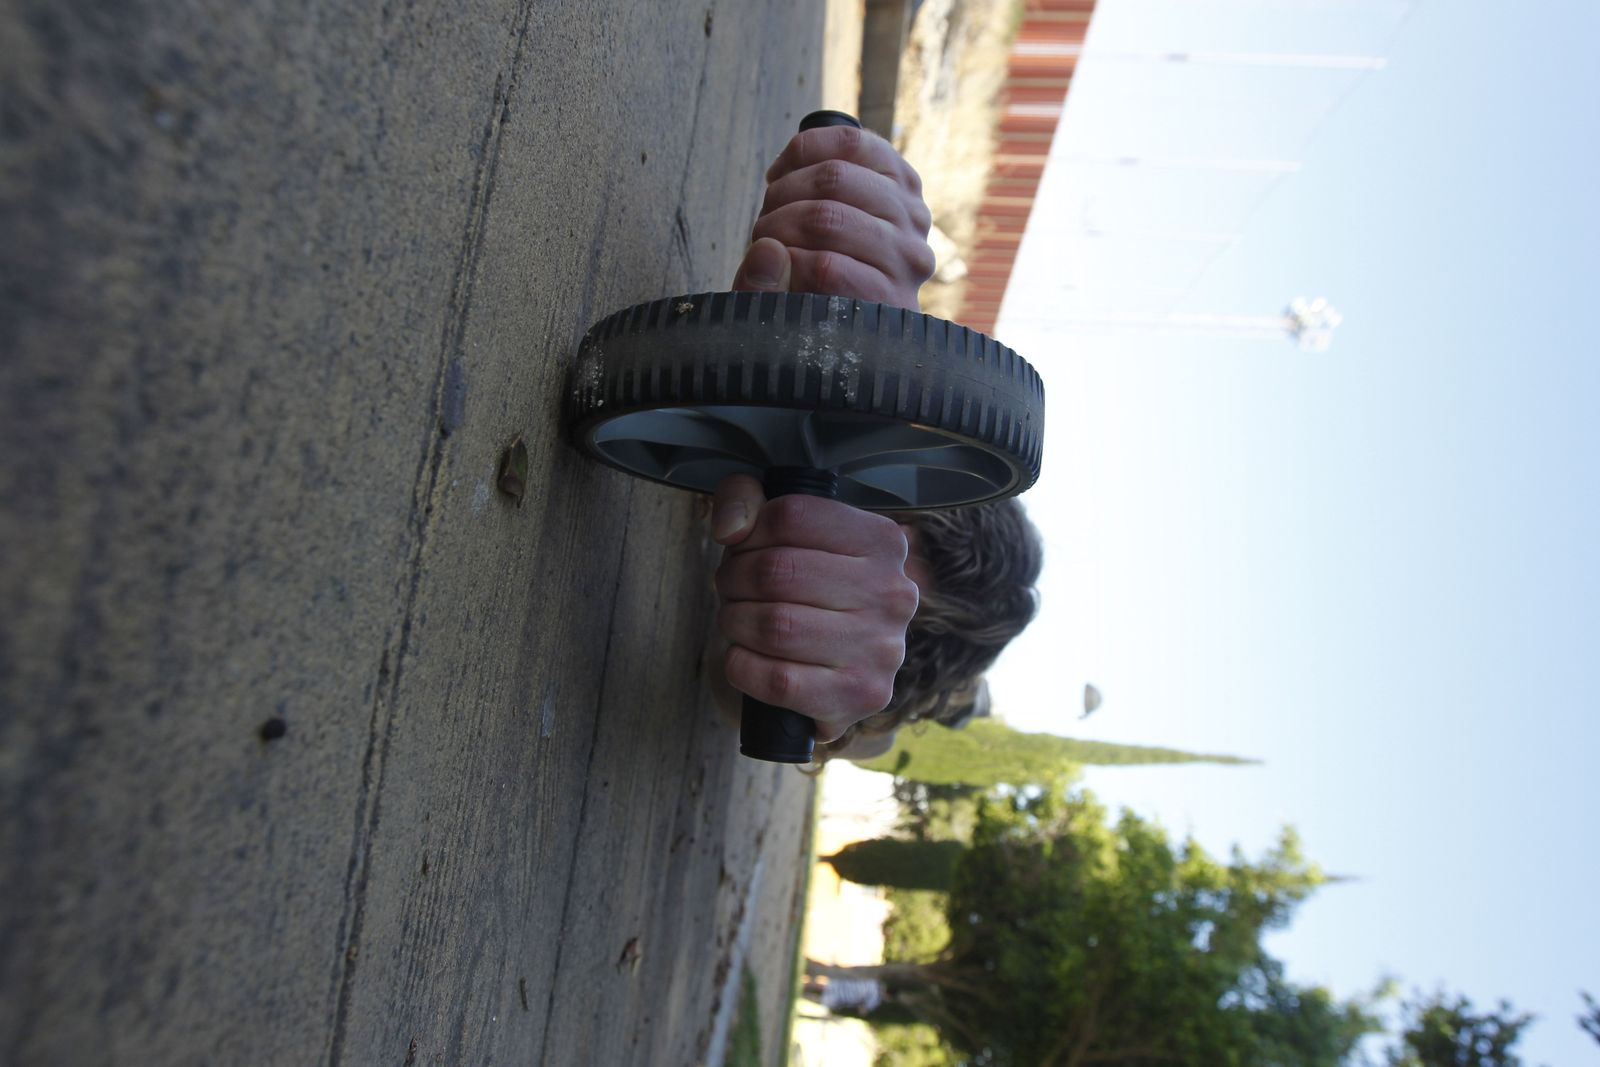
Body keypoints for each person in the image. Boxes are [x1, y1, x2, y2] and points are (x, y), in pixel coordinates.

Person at [704, 121, 1044, 763]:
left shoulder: (881, 695)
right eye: (867, 499)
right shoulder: (912, 433)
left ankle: (958, 703)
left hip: (928, 685)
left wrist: (809, 701)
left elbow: (743, 701)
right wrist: (852, 329)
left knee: (898, 727)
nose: (807, 513)